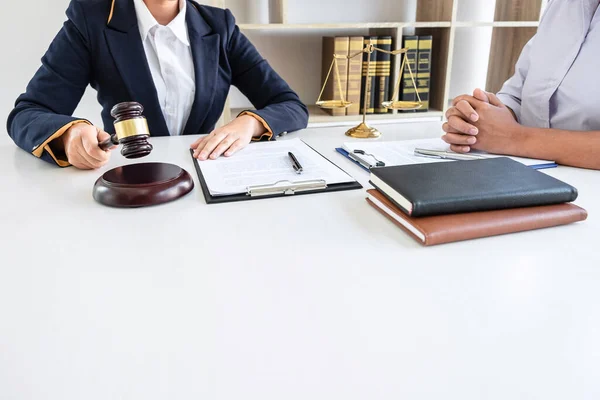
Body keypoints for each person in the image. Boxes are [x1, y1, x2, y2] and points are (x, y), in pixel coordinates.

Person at [6, 0, 308, 169]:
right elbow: (28, 113)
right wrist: (70, 135)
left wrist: (249, 124)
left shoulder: (220, 26)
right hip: (131, 183)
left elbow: (289, 104)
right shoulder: (91, 19)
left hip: (208, 184)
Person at [442, 0, 600, 170]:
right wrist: (481, 118)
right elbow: (519, 94)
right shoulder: (563, 4)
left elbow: (509, 135)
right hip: (529, 174)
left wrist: (511, 138)